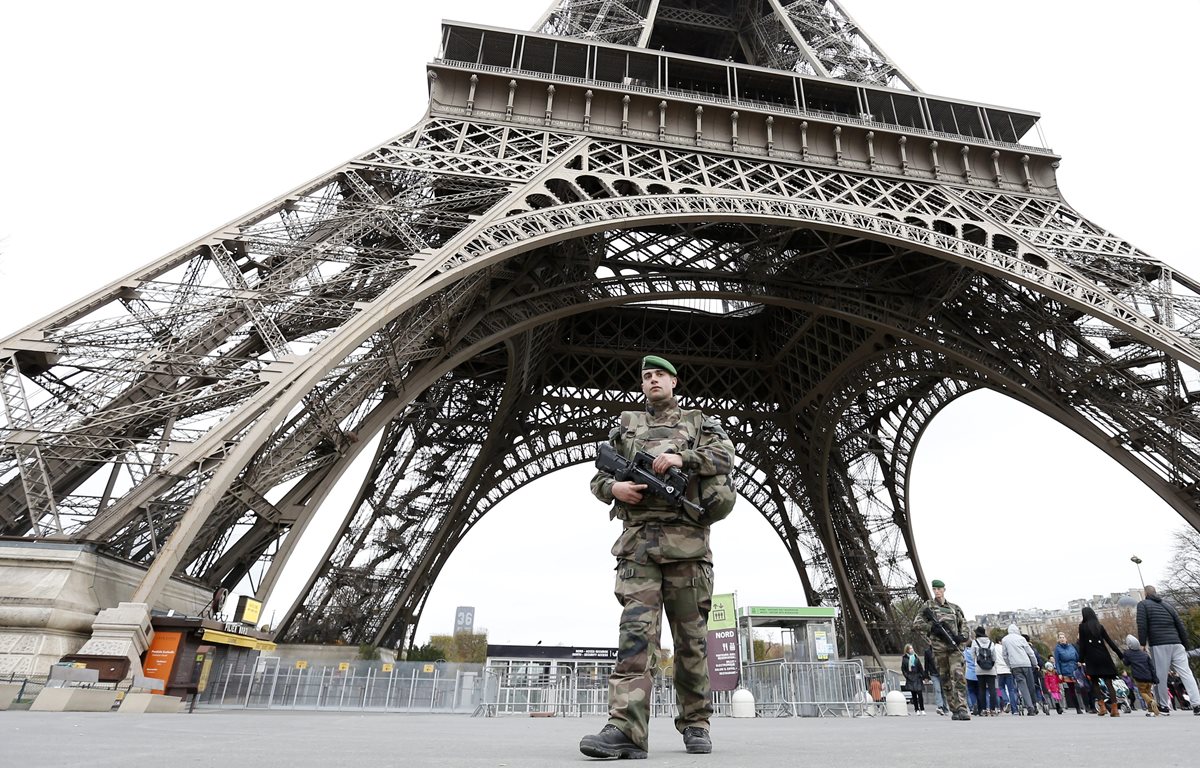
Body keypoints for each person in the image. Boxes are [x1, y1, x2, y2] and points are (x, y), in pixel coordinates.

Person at [580, 355, 736, 760]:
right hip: (639, 548)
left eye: (659, 375)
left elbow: (726, 456)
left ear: (674, 381)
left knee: (692, 644)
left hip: (689, 549)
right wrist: (614, 490)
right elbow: (597, 477)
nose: (652, 380)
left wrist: (684, 459)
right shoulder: (626, 428)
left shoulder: (701, 424)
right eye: (646, 376)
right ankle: (625, 728)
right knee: (634, 641)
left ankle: (696, 723)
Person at [1136, 584, 1200, 715]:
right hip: (1177, 643)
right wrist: (1185, 645)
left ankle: (1164, 706)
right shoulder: (1168, 606)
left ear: (1145, 594)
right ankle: (1197, 704)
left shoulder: (1143, 605)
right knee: (1186, 674)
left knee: (1160, 676)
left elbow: (1142, 624)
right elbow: (1180, 625)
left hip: (1159, 644)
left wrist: (1142, 643)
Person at [913, 579, 970, 720]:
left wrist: (961, 637)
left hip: (954, 647)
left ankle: (962, 707)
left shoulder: (954, 608)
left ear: (944, 589)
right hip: (939, 649)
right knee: (945, 679)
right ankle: (954, 709)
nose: (937, 591)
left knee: (958, 676)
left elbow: (964, 624)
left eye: (939, 589)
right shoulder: (928, 606)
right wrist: (932, 628)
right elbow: (917, 623)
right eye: (934, 589)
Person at [1077, 606, 1125, 717]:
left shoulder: (1082, 627)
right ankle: (1114, 709)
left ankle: (1102, 707)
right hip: (1104, 656)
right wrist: (1120, 654)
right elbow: (1110, 641)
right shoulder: (1100, 626)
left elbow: (1082, 645)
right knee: (1109, 683)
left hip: (1091, 657)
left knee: (1095, 683)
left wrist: (1080, 659)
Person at [1001, 624, 1039, 716]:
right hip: (1026, 663)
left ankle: (1030, 707)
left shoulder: (1005, 640)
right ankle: (1034, 704)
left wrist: (1009, 665)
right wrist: (1035, 663)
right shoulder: (1021, 639)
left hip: (1015, 665)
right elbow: (1030, 653)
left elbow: (1005, 655)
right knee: (1031, 685)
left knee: (1023, 686)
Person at [1121, 636, 1160, 717]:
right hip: (1149, 677)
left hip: (1139, 677)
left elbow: (1126, 663)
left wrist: (1124, 656)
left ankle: (1151, 702)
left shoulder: (1128, 653)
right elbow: (1151, 667)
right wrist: (1155, 678)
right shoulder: (1144, 654)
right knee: (1148, 692)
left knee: (1143, 692)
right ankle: (1151, 711)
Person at [1053, 631, 1084, 714]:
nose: (1062, 639)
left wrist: (1080, 662)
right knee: (1072, 689)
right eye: (1060, 638)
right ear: (1058, 639)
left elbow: (1077, 656)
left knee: (1082, 686)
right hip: (1066, 670)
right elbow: (1057, 661)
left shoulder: (1071, 646)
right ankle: (1078, 708)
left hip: (1075, 668)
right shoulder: (1057, 649)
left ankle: (1086, 705)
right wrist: (1059, 673)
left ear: (1066, 638)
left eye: (1063, 637)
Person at [970, 627, 999, 715]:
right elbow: (994, 656)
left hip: (979, 668)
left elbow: (972, 655)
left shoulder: (975, 642)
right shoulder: (991, 643)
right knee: (992, 689)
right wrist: (993, 665)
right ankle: (993, 709)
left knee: (981, 689)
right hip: (991, 668)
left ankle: (983, 709)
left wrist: (977, 661)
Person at [901, 643, 926, 715]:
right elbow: (903, 669)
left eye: (912, 648)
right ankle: (916, 709)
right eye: (910, 648)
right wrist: (907, 676)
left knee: (920, 693)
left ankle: (922, 709)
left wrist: (922, 675)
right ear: (907, 650)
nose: (912, 650)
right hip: (910, 677)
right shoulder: (905, 658)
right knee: (914, 694)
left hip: (917, 676)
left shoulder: (916, 657)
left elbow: (920, 667)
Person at [924, 645, 947, 714]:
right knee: (937, 689)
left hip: (942, 672)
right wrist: (926, 676)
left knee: (943, 691)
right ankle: (940, 706)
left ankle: (945, 707)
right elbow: (926, 664)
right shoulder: (927, 651)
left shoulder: (942, 649)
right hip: (933, 673)